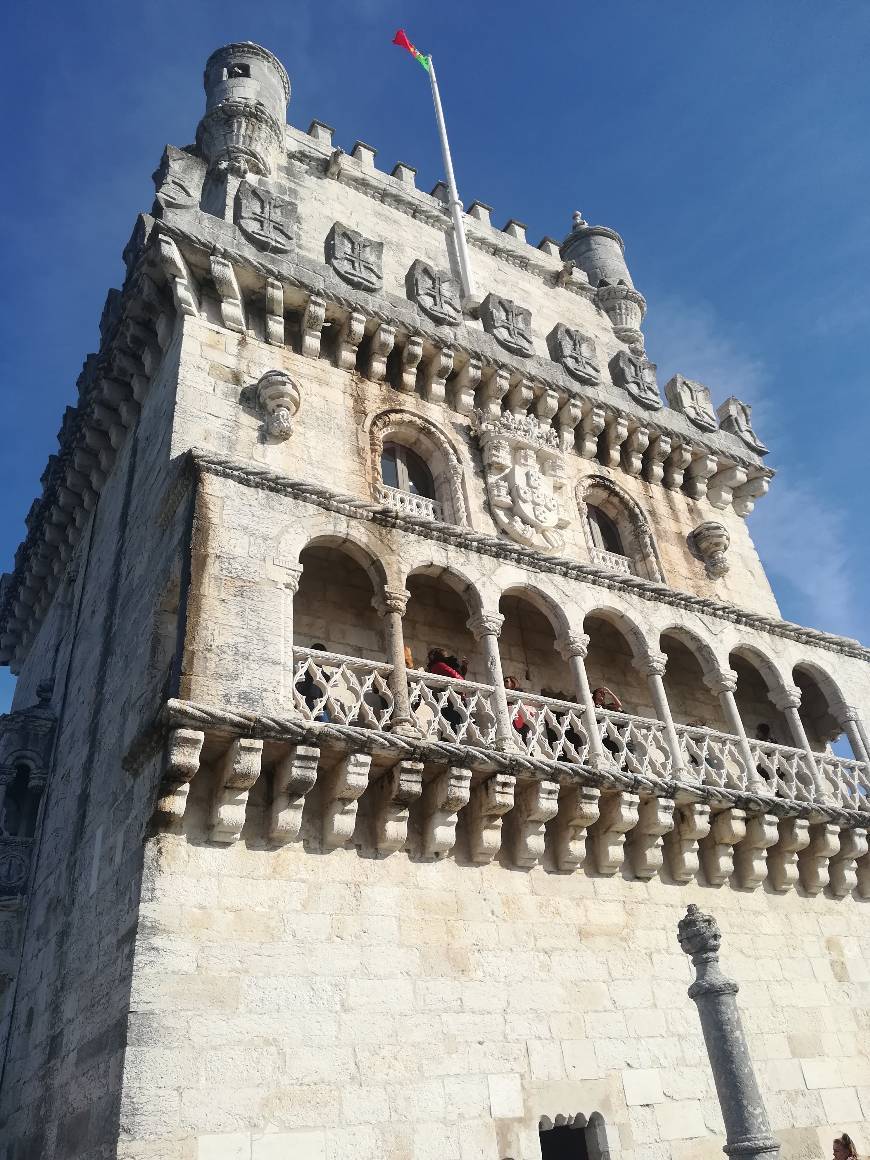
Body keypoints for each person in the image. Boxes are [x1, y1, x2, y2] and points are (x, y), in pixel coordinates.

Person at [426, 647, 466, 735]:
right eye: (444, 653)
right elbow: (458, 680)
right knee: (452, 727)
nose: (446, 655)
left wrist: (463, 670)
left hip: (451, 699)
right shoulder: (438, 665)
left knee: (453, 726)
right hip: (450, 700)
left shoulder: (439, 665)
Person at [295, 643, 331, 722]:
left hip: (320, 707)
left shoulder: (326, 676)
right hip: (305, 703)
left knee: (326, 727)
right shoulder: (303, 670)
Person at [504, 675, 536, 744]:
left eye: (507, 681)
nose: (505, 683)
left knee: (524, 733)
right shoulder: (504, 692)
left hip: (520, 713)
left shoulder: (519, 692)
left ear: (513, 683)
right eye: (504, 681)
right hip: (513, 714)